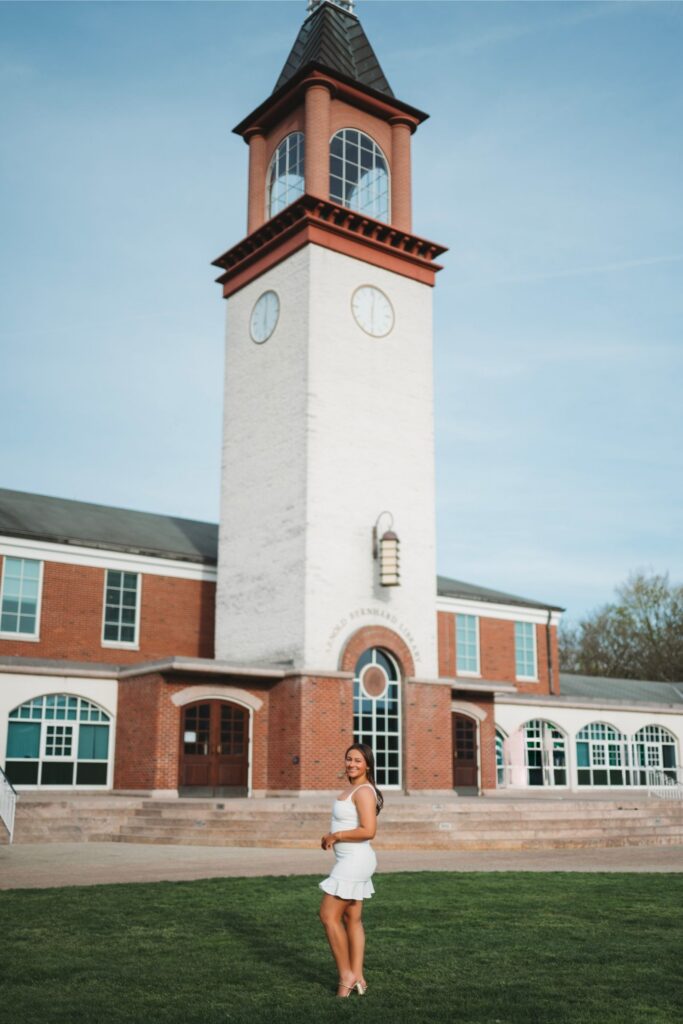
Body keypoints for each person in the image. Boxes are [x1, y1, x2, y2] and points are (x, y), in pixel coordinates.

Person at [319, 742, 384, 998]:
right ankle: (358, 977)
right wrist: (331, 835)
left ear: (367, 765)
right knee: (352, 919)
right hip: (351, 859)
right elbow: (348, 822)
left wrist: (336, 835)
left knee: (328, 915)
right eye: (349, 759)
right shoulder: (354, 789)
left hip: (355, 861)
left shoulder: (364, 791)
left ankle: (346, 975)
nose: (352, 764)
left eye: (358, 760)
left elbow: (369, 830)